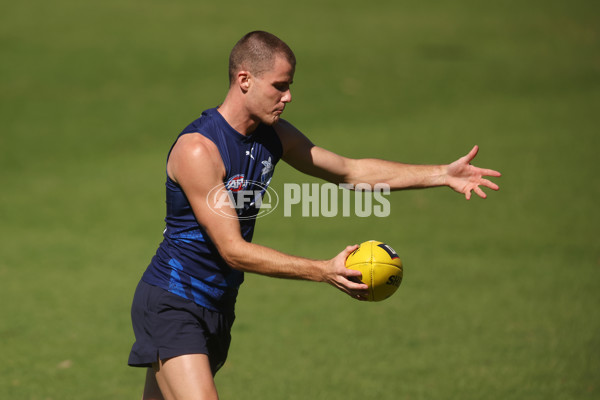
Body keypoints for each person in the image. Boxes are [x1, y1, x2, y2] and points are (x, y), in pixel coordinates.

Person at [128, 30, 501, 400]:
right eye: (279, 85)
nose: (288, 96)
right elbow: (232, 250)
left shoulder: (273, 136)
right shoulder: (199, 150)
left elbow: (349, 172)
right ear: (245, 80)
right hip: (174, 300)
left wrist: (441, 174)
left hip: (218, 305)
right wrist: (323, 270)